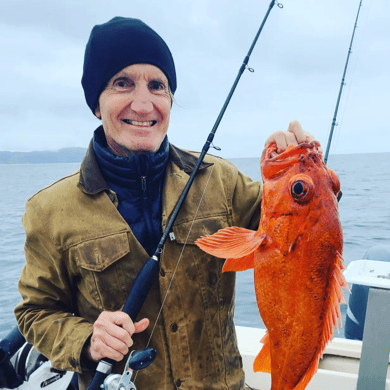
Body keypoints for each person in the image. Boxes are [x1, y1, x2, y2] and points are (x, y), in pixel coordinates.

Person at [14, 17, 317, 390]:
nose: (143, 104)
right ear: (96, 102)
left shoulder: (221, 180)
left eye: (157, 86)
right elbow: (35, 312)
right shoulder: (49, 211)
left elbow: (302, 233)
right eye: (122, 83)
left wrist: (306, 177)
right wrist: (86, 339)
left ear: (170, 99)